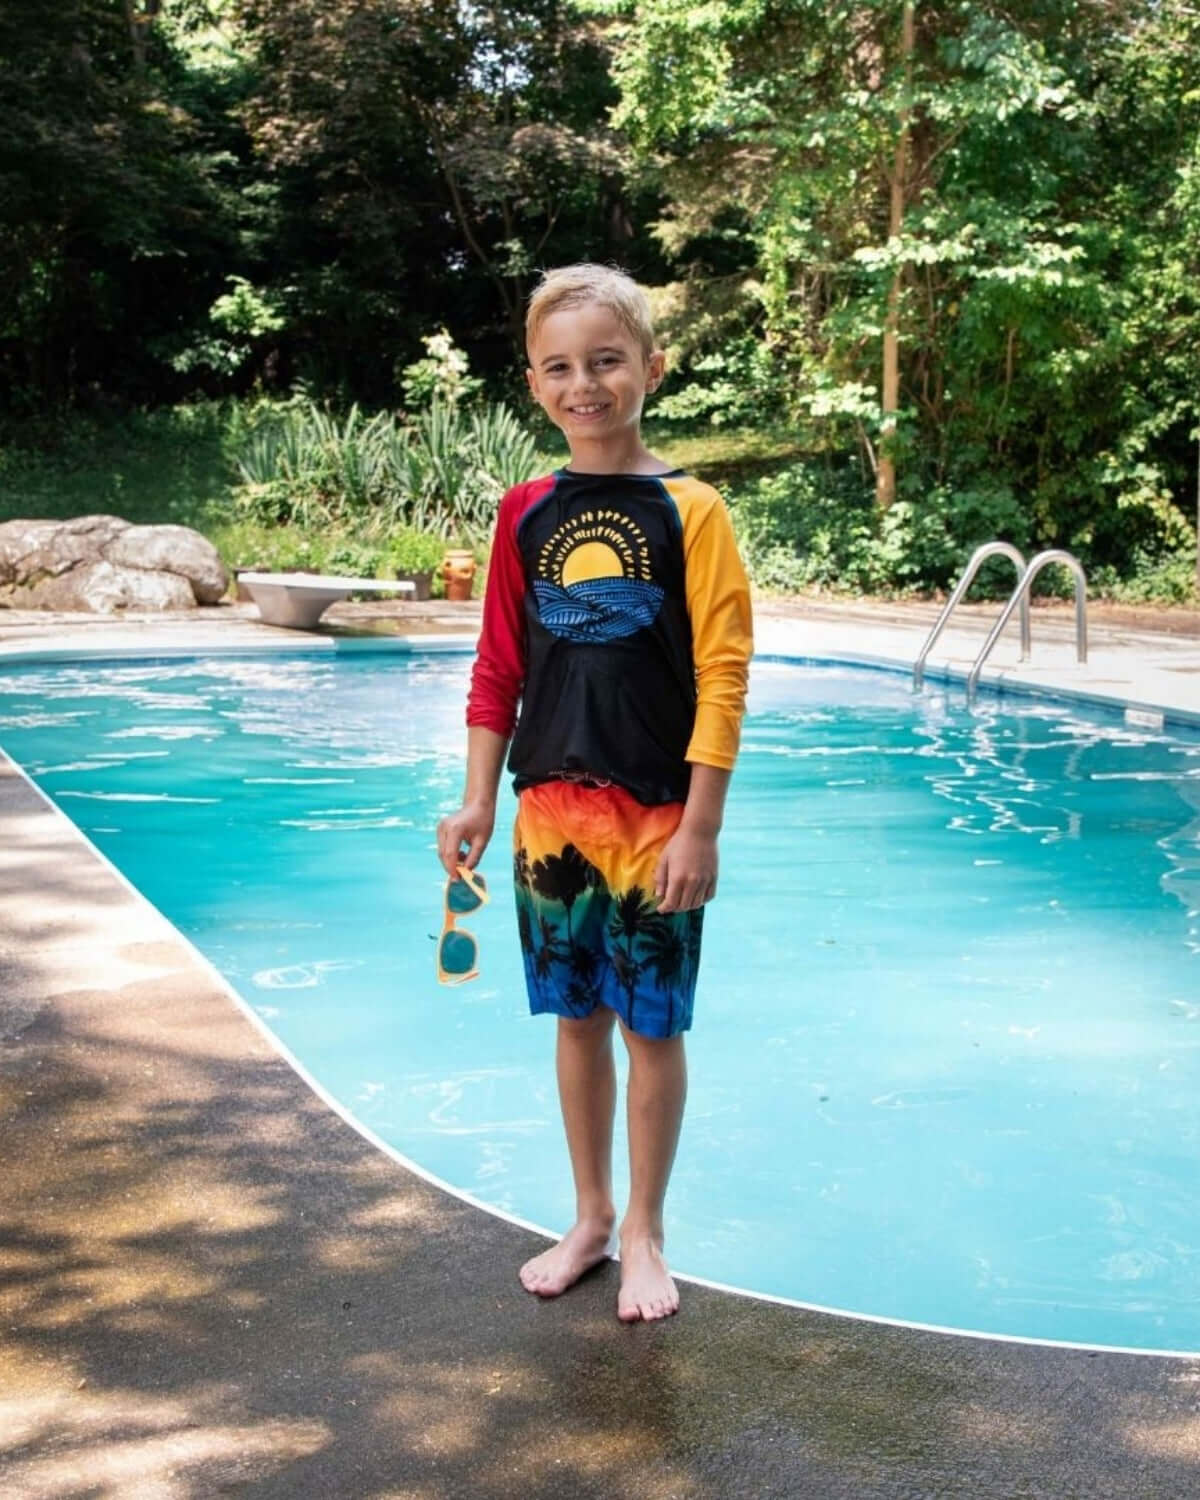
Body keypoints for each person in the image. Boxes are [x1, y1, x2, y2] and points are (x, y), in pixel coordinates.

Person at [436, 263, 753, 1322]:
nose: (586, 385)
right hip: (551, 816)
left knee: (650, 1028)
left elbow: (722, 675)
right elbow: (498, 668)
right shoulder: (525, 511)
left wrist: (701, 826)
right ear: (534, 384)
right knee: (576, 1021)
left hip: (657, 818)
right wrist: (479, 800)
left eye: (606, 361)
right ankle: (591, 1216)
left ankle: (649, 1232)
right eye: (561, 368)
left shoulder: (692, 510)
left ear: (651, 368)